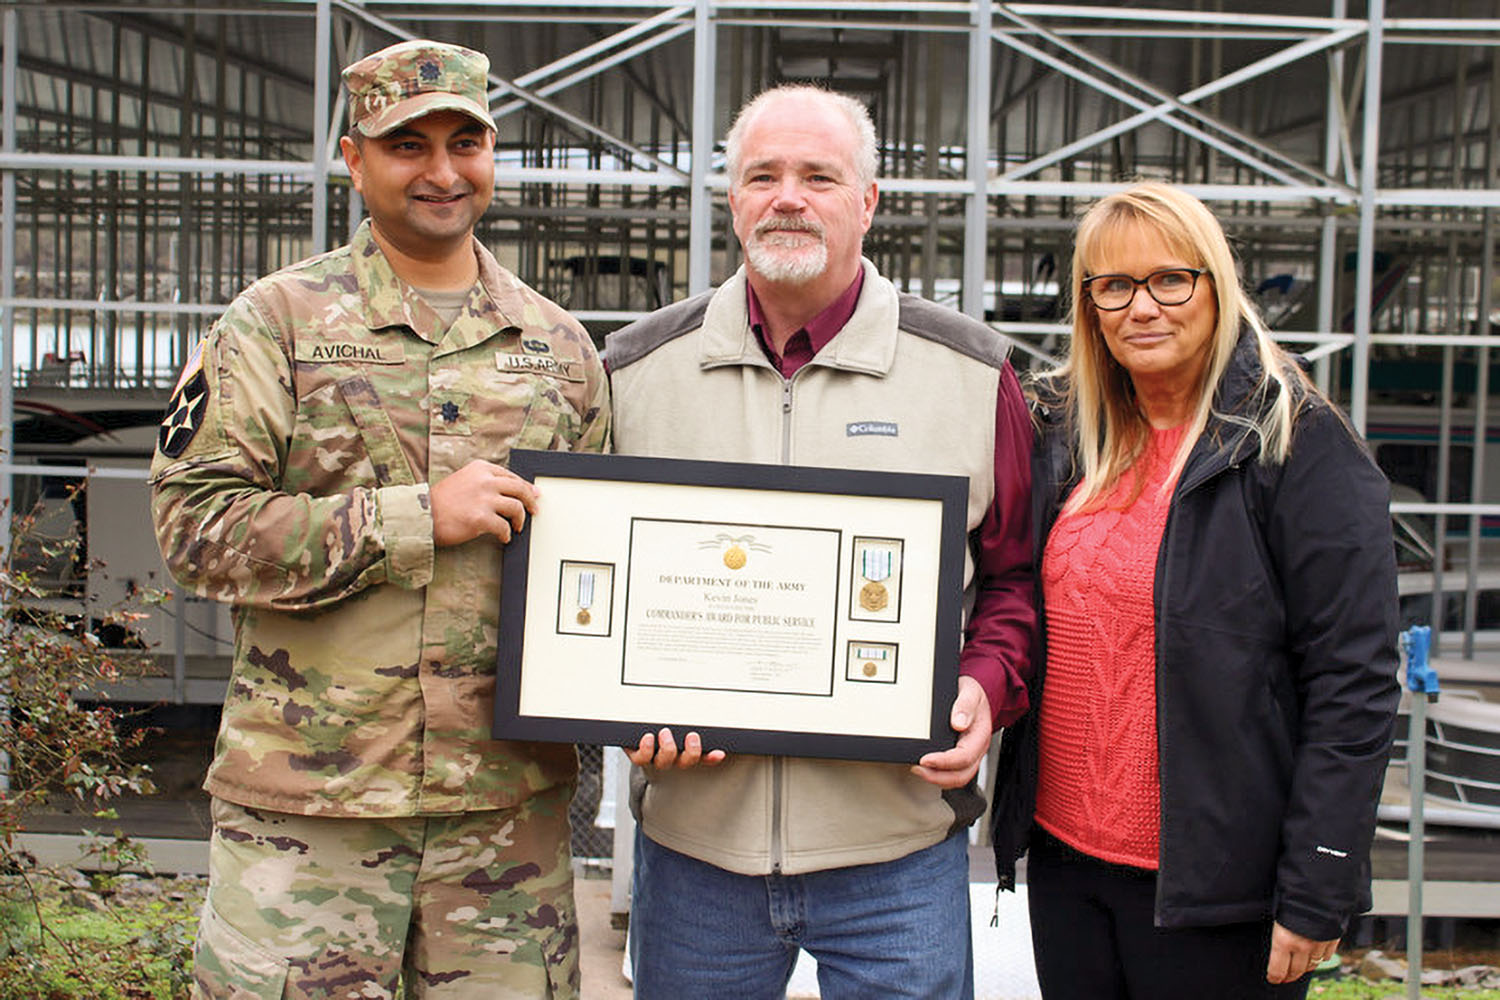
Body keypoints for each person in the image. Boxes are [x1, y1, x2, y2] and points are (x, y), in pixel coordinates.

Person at [149, 39, 609, 999]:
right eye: (408, 145)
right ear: (354, 160)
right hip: (312, 813)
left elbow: (600, 564)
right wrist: (412, 518)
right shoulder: (275, 322)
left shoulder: (558, 345)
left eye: (466, 142)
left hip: (503, 818)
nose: (443, 172)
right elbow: (193, 528)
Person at [605, 84, 1034, 999]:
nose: (787, 197)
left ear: (868, 201)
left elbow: (1015, 577)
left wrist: (984, 688)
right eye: (763, 175)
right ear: (732, 199)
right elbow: (595, 581)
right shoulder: (635, 371)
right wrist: (613, 702)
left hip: (897, 848)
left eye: (819, 176)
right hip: (695, 851)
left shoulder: (971, 372)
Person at [988, 181, 1399, 1000]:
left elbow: (1353, 682)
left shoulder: (1298, 443)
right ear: (1090, 305)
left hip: (1217, 894)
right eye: (1113, 286)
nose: (1142, 307)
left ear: (1215, 283)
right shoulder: (1069, 434)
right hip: (1067, 864)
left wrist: (1317, 884)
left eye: (1170, 279)